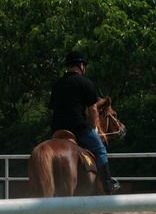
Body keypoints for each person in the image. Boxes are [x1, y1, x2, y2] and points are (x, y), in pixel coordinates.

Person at [49, 51, 120, 194]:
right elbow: (93, 109)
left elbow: (52, 108)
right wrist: (93, 128)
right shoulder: (85, 83)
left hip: (57, 129)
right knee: (100, 150)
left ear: (69, 66)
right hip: (78, 128)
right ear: (81, 66)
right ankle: (108, 185)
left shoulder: (57, 84)